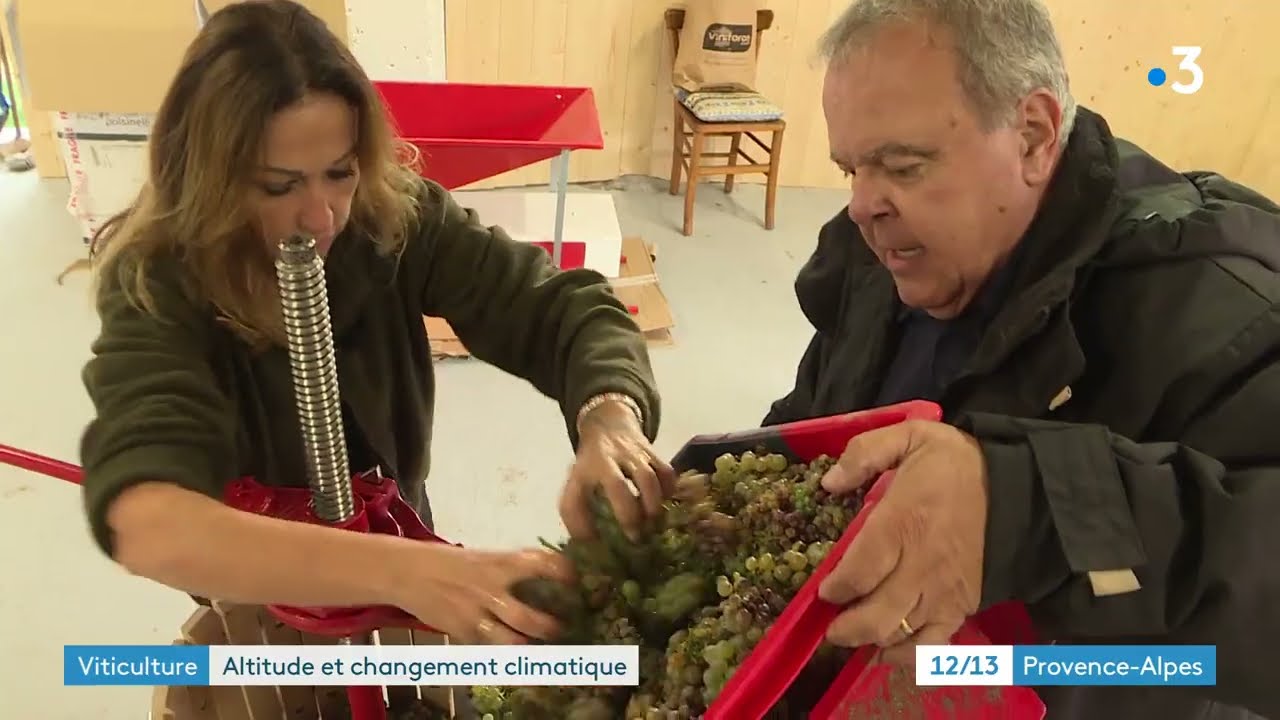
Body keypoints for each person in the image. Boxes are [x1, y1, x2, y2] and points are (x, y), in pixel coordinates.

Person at [77, 0, 676, 651]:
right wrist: (407, 572)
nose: (322, 216)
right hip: (261, 583)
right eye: (279, 186)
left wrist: (608, 415)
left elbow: (561, 309)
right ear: (207, 179)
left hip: (395, 531)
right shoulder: (156, 282)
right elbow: (150, 523)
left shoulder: (389, 218)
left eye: (339, 172)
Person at [765, 1, 1280, 719]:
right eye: (851, 168)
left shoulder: (1220, 301)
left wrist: (1024, 509)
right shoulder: (879, 251)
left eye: (902, 166)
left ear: (1033, 135)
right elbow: (815, 419)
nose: (860, 205)